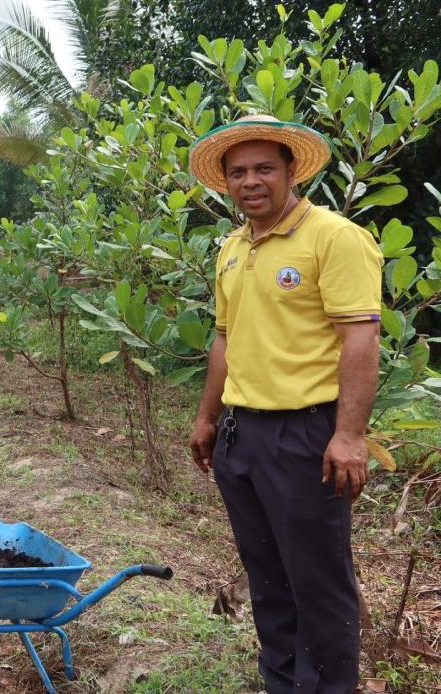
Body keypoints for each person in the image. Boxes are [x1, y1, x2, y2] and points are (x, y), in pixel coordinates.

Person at [186, 115, 383, 693]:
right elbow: (226, 337)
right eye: (239, 171)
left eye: (264, 168)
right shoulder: (230, 248)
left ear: (290, 170)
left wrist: (348, 435)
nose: (251, 181)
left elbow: (361, 338)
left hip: (306, 437)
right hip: (240, 437)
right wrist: (207, 418)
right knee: (267, 578)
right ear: (225, 181)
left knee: (318, 584)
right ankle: (282, 684)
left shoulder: (333, 237)